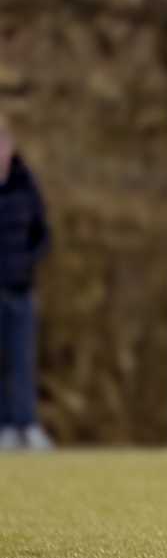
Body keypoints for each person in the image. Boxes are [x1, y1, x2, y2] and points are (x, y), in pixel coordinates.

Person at [0, 118, 52, 450]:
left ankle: (26, 426)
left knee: (22, 360)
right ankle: (4, 426)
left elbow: (42, 232)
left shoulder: (24, 183)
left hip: (19, 287)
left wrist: (28, 264)